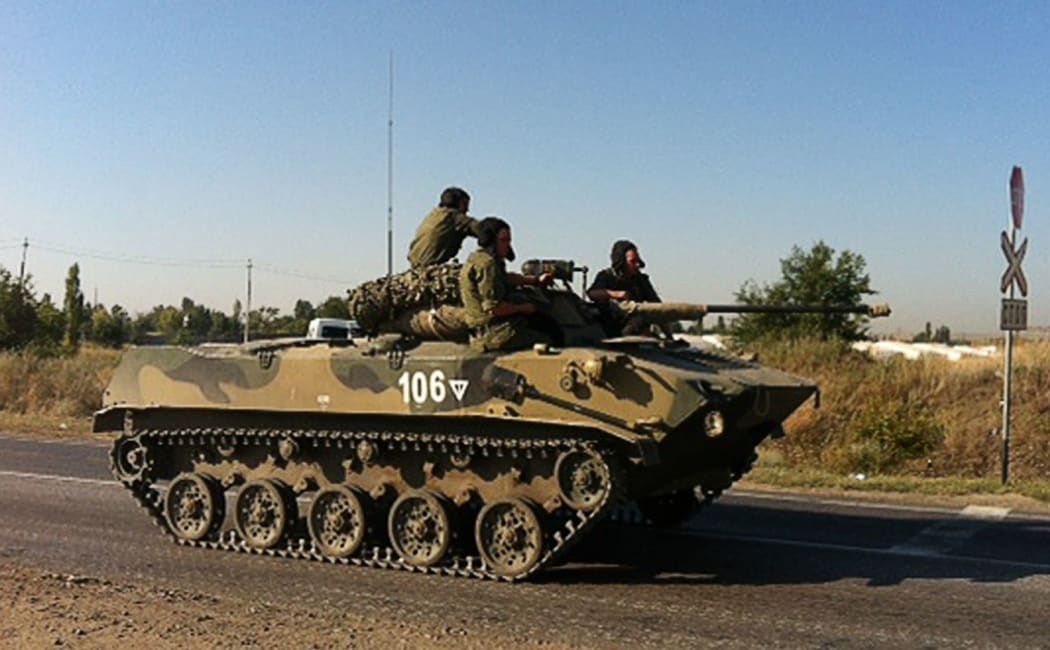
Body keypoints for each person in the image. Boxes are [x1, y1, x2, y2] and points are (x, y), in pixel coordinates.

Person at [459, 217, 554, 351]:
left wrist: (535, 280)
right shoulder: (488, 265)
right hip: (494, 334)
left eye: (509, 240)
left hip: (488, 331)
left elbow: (506, 278)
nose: (508, 245)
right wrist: (522, 308)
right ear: (491, 241)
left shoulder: (478, 259)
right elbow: (495, 308)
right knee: (550, 337)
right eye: (504, 241)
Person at [587, 239, 665, 336]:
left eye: (638, 261)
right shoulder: (607, 276)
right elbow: (592, 294)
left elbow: (657, 306)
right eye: (632, 261)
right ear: (622, 261)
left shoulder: (641, 281)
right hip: (608, 325)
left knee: (640, 321)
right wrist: (616, 294)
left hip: (634, 325)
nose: (637, 265)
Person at [407, 187, 481, 270]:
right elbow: (484, 229)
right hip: (432, 269)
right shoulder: (453, 217)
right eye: (465, 205)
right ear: (458, 203)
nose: (467, 210)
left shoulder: (434, 215)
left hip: (415, 268)